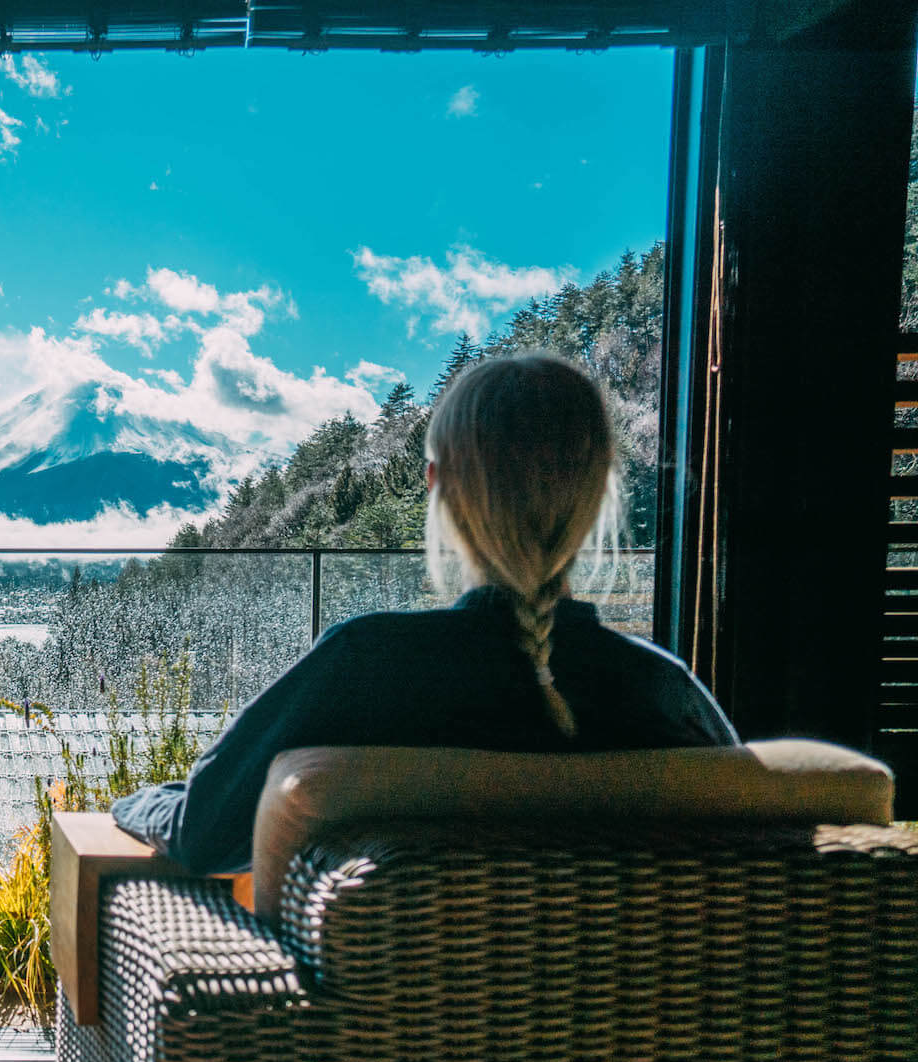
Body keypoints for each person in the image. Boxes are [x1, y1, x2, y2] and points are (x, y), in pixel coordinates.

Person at [111, 352, 737, 888]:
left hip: (388, 1027)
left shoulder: (365, 667)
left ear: (437, 485)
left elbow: (202, 834)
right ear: (601, 490)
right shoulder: (665, 692)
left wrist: (135, 802)